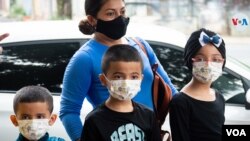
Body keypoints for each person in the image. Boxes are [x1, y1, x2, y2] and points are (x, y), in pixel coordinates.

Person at [59, 0, 177, 140]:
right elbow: (69, 111)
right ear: (92, 19)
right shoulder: (84, 58)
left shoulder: (140, 45)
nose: (119, 19)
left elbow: (171, 90)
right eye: (110, 13)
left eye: (122, 12)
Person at [80, 44, 161, 141]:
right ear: (103, 79)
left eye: (134, 77)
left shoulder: (148, 116)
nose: (126, 82)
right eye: (118, 76)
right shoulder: (94, 120)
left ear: (141, 79)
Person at [169, 28, 226, 141]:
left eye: (216, 59)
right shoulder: (181, 102)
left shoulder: (219, 97)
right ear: (190, 60)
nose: (208, 65)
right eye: (200, 59)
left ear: (222, 62)